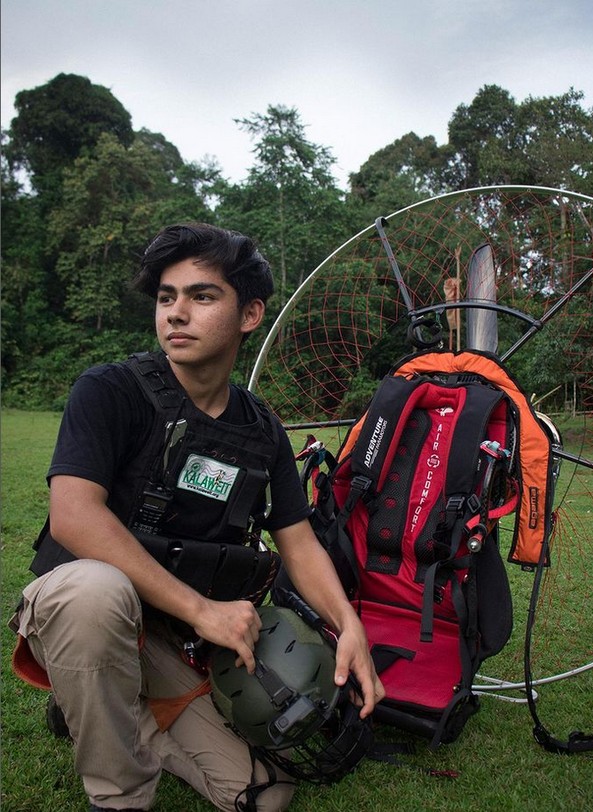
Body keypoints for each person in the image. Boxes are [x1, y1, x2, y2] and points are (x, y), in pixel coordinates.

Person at [9, 223, 384, 812]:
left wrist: (348, 624)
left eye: (201, 297)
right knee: (96, 592)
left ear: (250, 314)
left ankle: (104, 701)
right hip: (88, 602)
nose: (176, 313)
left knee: (264, 796)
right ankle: (120, 795)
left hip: (171, 635)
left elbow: (299, 541)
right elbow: (74, 519)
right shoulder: (111, 390)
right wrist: (203, 610)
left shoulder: (262, 431)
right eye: (166, 297)